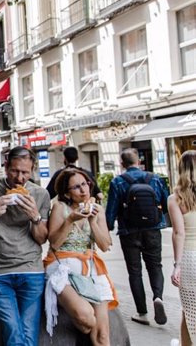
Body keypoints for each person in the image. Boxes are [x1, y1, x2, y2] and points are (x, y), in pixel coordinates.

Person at [0, 146, 51, 346]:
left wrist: (35, 216)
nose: (19, 178)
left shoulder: (41, 194)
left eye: (25, 172)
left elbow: (42, 238)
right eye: (14, 171)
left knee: (28, 331)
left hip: (31, 270)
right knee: (13, 329)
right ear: (6, 167)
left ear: (32, 171)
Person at [43, 167, 116, 345]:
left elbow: (105, 245)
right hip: (62, 267)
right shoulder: (60, 207)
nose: (83, 190)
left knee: (103, 336)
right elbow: (54, 243)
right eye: (76, 187)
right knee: (87, 319)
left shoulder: (97, 209)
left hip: (91, 268)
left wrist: (92, 222)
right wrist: (70, 220)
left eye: (85, 184)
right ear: (67, 194)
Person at [106, 147, 170, 326]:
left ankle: (142, 312)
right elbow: (165, 205)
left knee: (135, 272)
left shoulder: (118, 181)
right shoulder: (155, 179)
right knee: (155, 266)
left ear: (122, 163)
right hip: (152, 229)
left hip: (129, 232)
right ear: (139, 162)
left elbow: (111, 211)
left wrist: (108, 229)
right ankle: (158, 297)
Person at [168, 150, 196, 345]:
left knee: (190, 311)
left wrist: (177, 265)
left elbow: (179, 233)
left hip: (190, 259)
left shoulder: (175, 198)